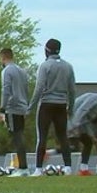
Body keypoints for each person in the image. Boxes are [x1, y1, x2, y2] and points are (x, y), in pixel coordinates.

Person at [28, 38, 76, 176]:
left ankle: (38, 169)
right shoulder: (68, 66)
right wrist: (71, 108)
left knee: (42, 137)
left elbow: (39, 88)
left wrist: (30, 107)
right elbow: (72, 90)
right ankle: (68, 167)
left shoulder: (45, 66)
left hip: (47, 104)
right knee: (63, 137)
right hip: (61, 105)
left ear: (47, 50)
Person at [0, 48, 31, 177]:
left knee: (17, 137)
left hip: (12, 107)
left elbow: (6, 89)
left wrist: (2, 108)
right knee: (19, 135)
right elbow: (26, 89)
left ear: (4, 57)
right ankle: (23, 167)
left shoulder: (6, 71)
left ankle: (22, 168)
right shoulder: (21, 71)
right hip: (22, 106)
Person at [67, 92, 97, 175]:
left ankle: (83, 170)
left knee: (88, 143)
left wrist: (92, 137)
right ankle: (50, 153)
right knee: (73, 147)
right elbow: (82, 110)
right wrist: (74, 127)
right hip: (71, 120)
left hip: (79, 122)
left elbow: (87, 120)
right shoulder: (96, 99)